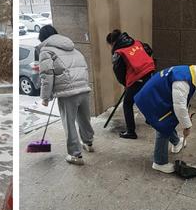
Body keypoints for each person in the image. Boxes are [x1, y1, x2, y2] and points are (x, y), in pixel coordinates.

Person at [134, 64, 196, 174]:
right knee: (163, 126)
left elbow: (183, 101)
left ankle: (176, 142)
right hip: (151, 99)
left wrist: (185, 117)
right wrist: (187, 126)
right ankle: (159, 162)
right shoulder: (182, 82)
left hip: (157, 95)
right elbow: (179, 106)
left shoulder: (189, 73)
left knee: (169, 121)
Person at [38, 25, 94, 166]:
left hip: (68, 94)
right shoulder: (73, 48)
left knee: (69, 124)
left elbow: (47, 75)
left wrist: (45, 97)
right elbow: (84, 67)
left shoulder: (46, 50)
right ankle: (88, 143)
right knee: (84, 119)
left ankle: (75, 155)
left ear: (42, 38)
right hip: (84, 89)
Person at [106, 29, 155, 139]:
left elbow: (119, 73)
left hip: (137, 78)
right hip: (149, 73)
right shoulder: (137, 43)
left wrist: (127, 84)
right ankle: (151, 120)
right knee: (144, 97)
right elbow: (149, 50)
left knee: (127, 104)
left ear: (112, 43)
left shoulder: (118, 53)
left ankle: (131, 131)